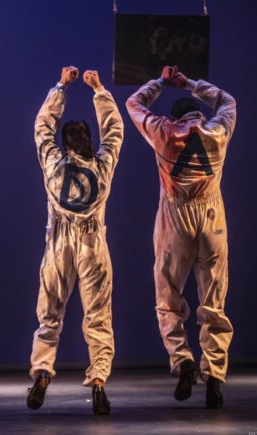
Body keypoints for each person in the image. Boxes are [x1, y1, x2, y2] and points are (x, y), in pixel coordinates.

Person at [126, 66, 236, 408]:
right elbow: (228, 101)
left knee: (168, 295)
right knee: (213, 300)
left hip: (176, 217)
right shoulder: (217, 130)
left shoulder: (163, 131)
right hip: (212, 217)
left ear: (174, 118)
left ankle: (182, 358)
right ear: (197, 115)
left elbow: (133, 104)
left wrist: (160, 82)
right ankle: (214, 375)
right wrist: (189, 83)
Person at [28, 67, 124, 415]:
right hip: (92, 243)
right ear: (88, 140)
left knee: (50, 314)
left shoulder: (53, 163)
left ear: (65, 143)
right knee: (97, 317)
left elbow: (42, 128)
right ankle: (98, 382)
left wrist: (61, 87)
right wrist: (98, 90)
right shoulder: (103, 165)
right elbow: (114, 131)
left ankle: (42, 372)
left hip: (59, 245)